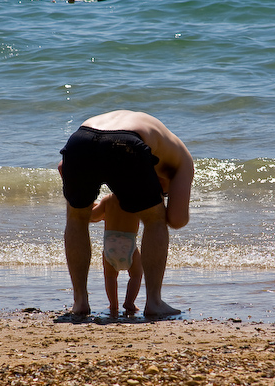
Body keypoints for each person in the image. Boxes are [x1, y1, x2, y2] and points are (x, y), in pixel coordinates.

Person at [59, 110, 194, 317]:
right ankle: (154, 302)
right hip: (126, 143)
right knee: (154, 220)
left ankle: (80, 302)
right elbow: (177, 220)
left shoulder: (161, 139)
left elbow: (62, 166)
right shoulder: (183, 159)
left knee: (77, 218)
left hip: (80, 139)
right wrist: (158, 201)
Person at [91, 193, 143, 315]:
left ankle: (114, 305)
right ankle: (129, 302)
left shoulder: (108, 200)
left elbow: (93, 216)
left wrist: (102, 211)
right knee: (136, 275)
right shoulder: (138, 199)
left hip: (110, 246)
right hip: (129, 245)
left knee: (110, 277)